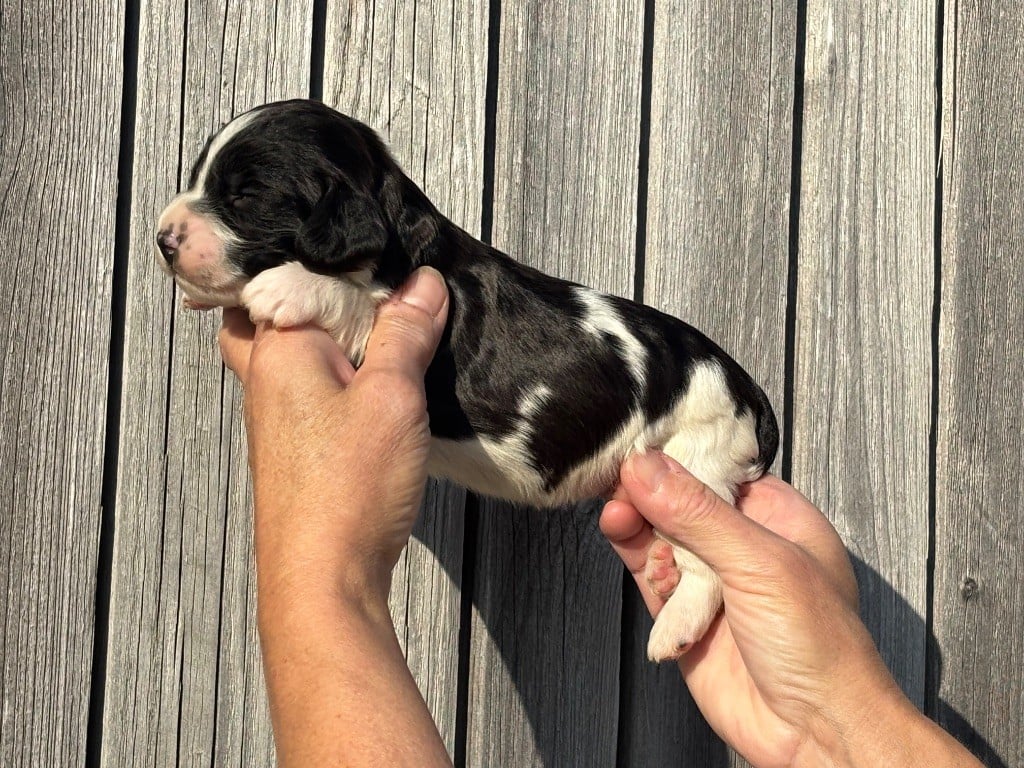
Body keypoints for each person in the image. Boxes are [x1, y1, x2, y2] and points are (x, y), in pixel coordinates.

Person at [218, 267, 982, 768]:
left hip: (697, 409)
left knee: (693, 517)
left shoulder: (409, 286)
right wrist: (832, 724)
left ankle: (709, 575)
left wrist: (319, 572)